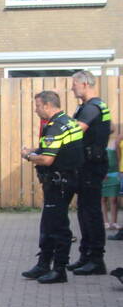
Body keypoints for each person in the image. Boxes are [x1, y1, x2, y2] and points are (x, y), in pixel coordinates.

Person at [21, 91, 84, 284]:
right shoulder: (68, 122)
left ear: (48, 105)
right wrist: (35, 150)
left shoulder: (55, 126)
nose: (35, 109)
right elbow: (58, 149)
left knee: (58, 227)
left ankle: (59, 270)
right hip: (66, 180)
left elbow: (47, 159)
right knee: (48, 224)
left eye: (38, 105)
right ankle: (43, 264)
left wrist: (28, 156)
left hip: (59, 183)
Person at [67, 71, 112, 275]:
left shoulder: (92, 107)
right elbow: (108, 129)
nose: (72, 88)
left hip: (91, 166)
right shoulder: (93, 106)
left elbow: (76, 131)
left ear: (84, 84)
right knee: (85, 211)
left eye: (74, 84)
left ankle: (96, 259)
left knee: (91, 213)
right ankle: (86, 255)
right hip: (88, 164)